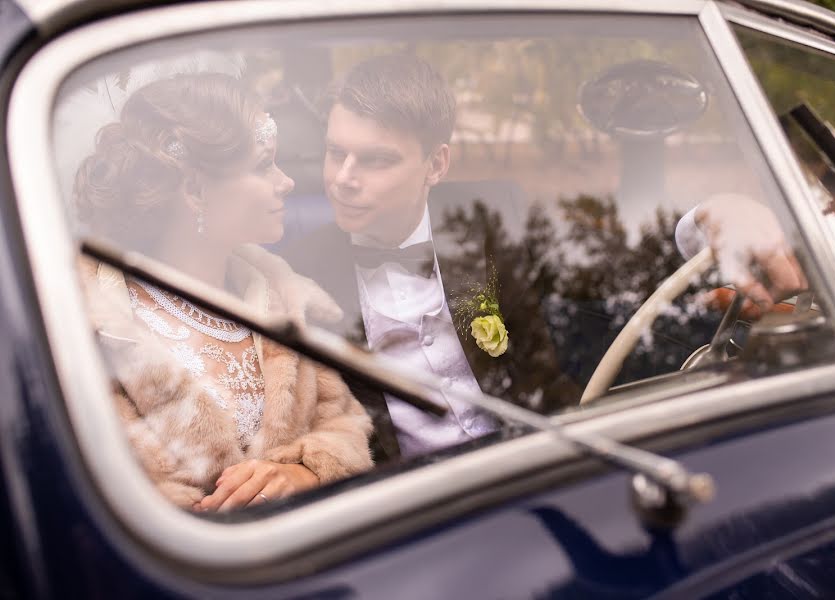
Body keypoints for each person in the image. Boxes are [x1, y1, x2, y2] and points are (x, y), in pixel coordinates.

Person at [74, 72, 374, 511]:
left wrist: (303, 471)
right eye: (262, 165)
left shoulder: (281, 300)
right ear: (194, 189)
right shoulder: (91, 327)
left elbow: (344, 425)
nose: (286, 182)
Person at [285, 54, 582, 460]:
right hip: (413, 496)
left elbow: (561, 343)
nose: (342, 179)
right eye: (336, 153)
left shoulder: (490, 219)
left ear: (436, 164)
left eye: (376, 160)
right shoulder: (300, 271)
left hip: (529, 460)